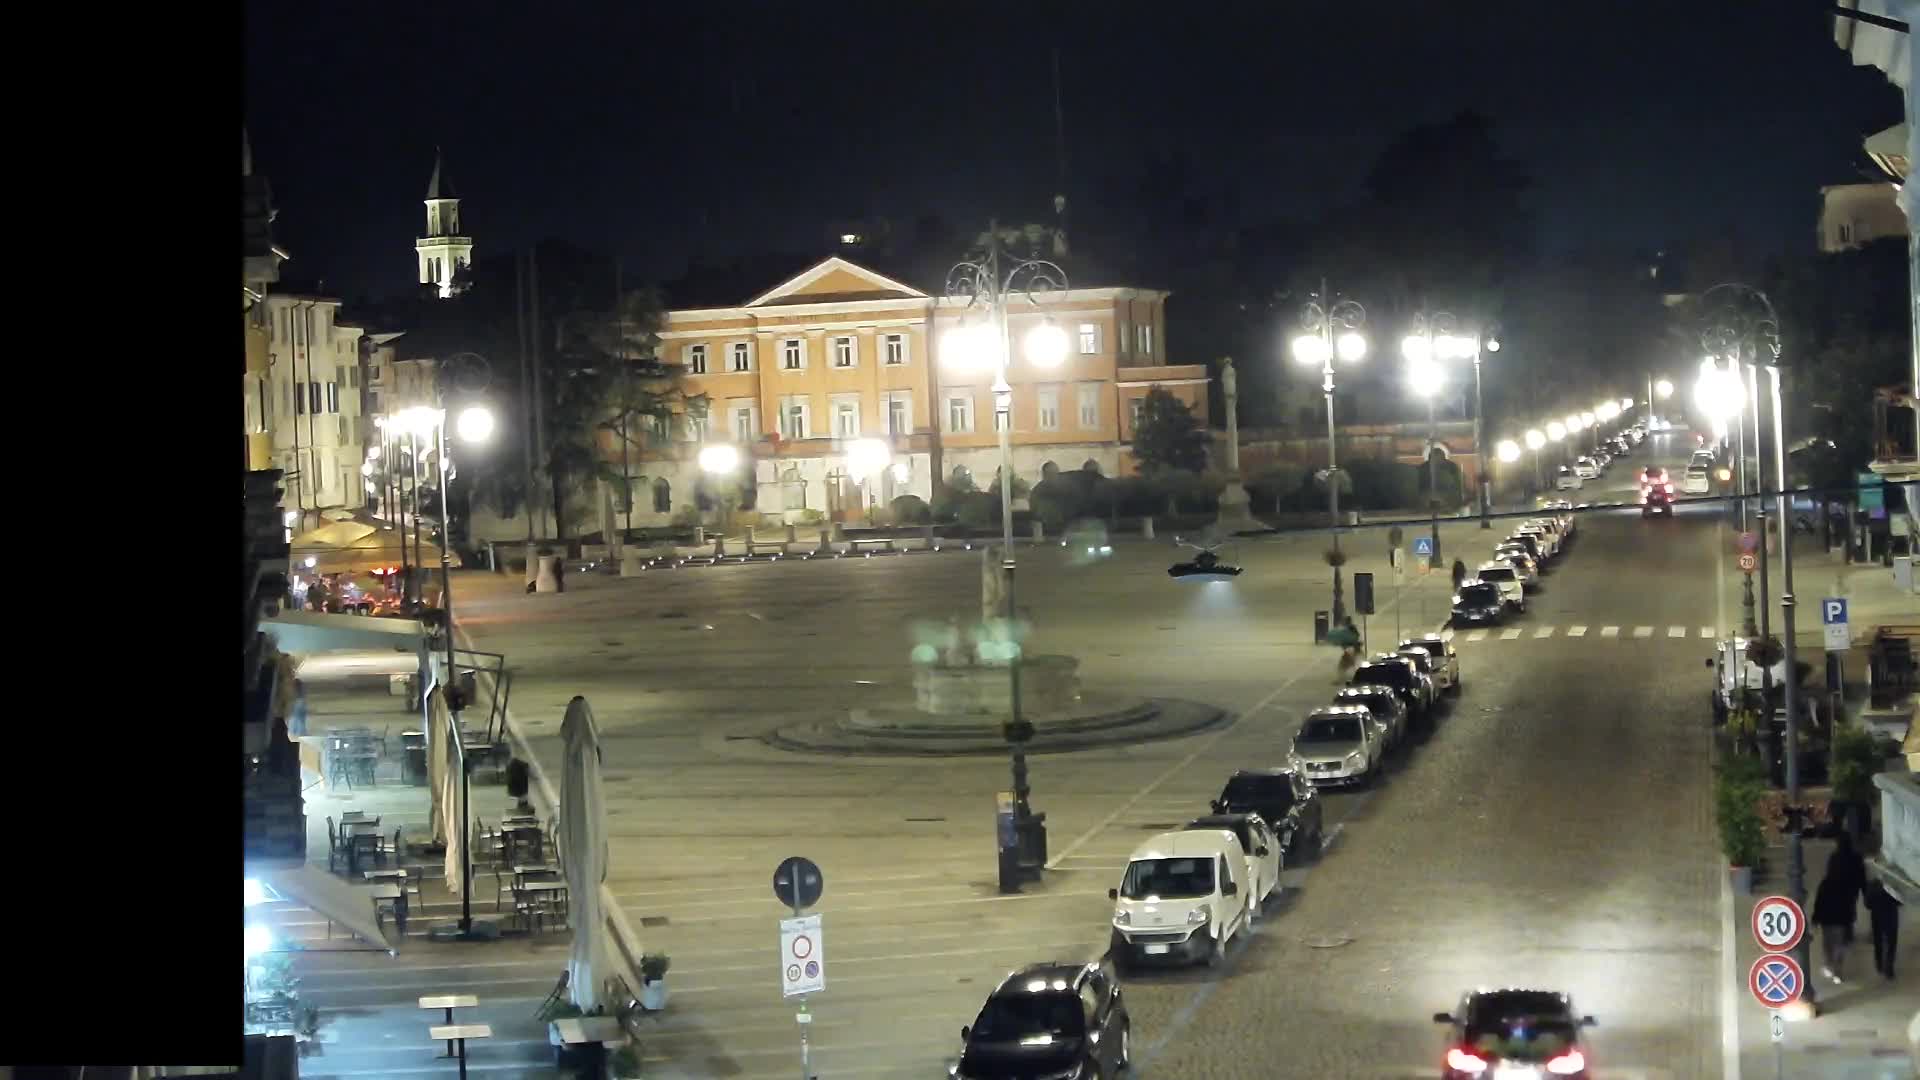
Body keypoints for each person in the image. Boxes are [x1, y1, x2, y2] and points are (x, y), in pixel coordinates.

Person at [1812, 831, 1868, 983]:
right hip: (1846, 907)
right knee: (1841, 941)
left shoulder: (1828, 879)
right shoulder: (1856, 858)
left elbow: (1819, 900)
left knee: (1828, 942)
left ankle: (1829, 964)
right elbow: (1862, 878)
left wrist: (1815, 919)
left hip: (1827, 916)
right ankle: (1837, 969)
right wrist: (1864, 893)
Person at [1865, 870, 1902, 979]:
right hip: (1891, 917)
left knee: (1878, 942)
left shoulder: (1872, 885)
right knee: (1891, 943)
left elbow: (1867, 904)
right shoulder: (1893, 886)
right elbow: (1899, 901)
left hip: (1877, 917)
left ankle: (1880, 965)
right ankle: (1889, 969)